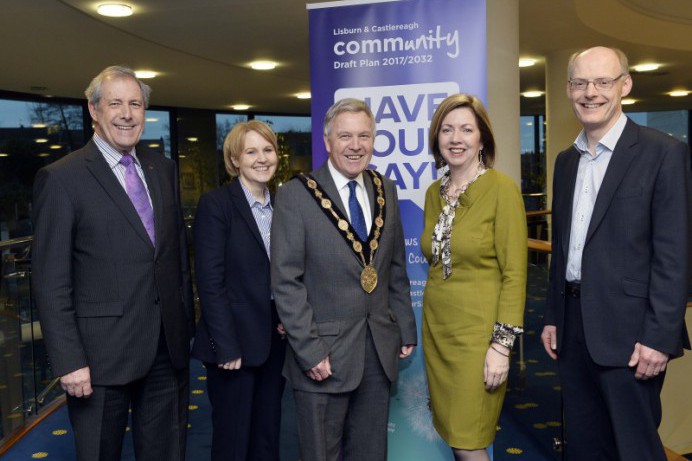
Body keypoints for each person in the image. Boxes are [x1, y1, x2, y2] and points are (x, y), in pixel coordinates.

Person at [32, 66, 195, 461]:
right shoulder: (62, 178)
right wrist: (70, 361)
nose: (127, 114)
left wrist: (186, 327)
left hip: (165, 350)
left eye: (135, 104)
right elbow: (50, 281)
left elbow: (174, 260)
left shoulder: (163, 169)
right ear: (93, 109)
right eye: (116, 103)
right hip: (99, 359)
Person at [541, 46, 691, 461]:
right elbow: (565, 246)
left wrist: (658, 339)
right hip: (572, 333)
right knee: (585, 447)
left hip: (632, 338)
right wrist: (554, 315)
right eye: (579, 83)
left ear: (624, 85)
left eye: (602, 81)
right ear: (569, 90)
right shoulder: (565, 161)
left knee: (635, 450)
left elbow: (674, 254)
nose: (590, 92)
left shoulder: (663, 153)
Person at [271, 98, 417, 461]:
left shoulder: (386, 190)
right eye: (346, 136)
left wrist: (405, 329)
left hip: (377, 350)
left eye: (364, 136)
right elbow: (286, 281)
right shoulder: (296, 195)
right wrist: (310, 350)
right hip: (323, 356)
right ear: (327, 141)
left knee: (370, 453)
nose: (356, 145)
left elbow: (395, 269)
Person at [420, 94, 527, 461]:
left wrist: (501, 346)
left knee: (469, 442)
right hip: (438, 334)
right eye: (447, 130)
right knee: (454, 436)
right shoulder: (435, 194)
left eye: (467, 129)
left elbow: (515, 274)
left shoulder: (501, 190)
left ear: (482, 138)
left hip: (479, 339)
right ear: (437, 138)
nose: (456, 138)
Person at [191, 120, 286, 461]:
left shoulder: (283, 205)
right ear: (235, 160)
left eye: (267, 149)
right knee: (233, 444)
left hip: (275, 339)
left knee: (267, 438)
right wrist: (226, 348)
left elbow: (289, 274)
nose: (262, 158)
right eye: (251, 152)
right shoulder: (217, 205)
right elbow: (210, 282)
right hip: (233, 347)